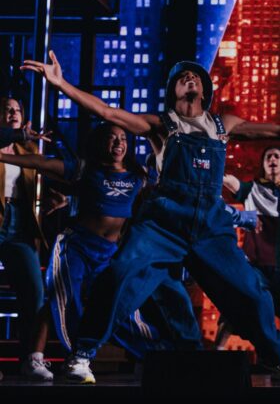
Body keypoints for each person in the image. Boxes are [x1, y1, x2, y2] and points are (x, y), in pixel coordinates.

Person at [21, 53, 280, 384]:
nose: (190, 78)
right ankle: (83, 354)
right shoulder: (161, 125)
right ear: (173, 89)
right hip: (164, 223)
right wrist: (61, 83)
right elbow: (107, 111)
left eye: (195, 76)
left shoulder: (223, 124)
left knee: (252, 291)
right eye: (182, 76)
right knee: (119, 277)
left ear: (205, 90)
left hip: (210, 227)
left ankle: (276, 356)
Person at [0, 122, 203, 380]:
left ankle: (152, 355)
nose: (119, 143)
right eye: (112, 137)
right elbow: (42, 163)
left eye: (123, 138)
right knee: (63, 297)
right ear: (99, 143)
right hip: (75, 246)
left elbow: (166, 183)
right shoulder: (86, 169)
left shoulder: (138, 177)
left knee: (118, 306)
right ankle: (43, 359)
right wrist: (4, 157)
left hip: (109, 252)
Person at [214, 146, 280, 351]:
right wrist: (210, 169)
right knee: (234, 305)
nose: (272, 159)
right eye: (268, 156)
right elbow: (230, 181)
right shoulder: (252, 190)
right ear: (263, 164)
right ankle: (217, 352)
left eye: (277, 155)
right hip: (256, 267)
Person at [0, 98, 50, 380]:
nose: (13, 113)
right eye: (7, 109)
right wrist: (18, 134)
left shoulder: (27, 149)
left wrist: (55, 197)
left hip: (19, 222)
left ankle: (29, 359)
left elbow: (40, 181)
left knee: (34, 292)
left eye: (17, 110)